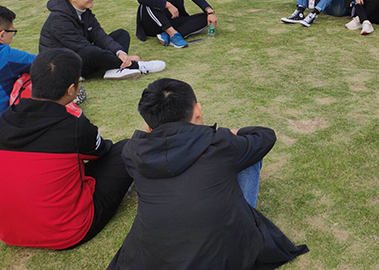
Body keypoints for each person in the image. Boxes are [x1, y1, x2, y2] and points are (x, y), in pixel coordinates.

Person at [108, 78, 309, 270]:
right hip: (222, 256)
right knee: (249, 156)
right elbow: (265, 135)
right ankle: (243, 217)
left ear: (148, 127)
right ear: (198, 111)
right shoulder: (220, 144)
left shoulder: (133, 153)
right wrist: (232, 133)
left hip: (157, 258)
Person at [0, 49, 133, 250]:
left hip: (9, 232)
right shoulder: (74, 127)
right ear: (71, 89)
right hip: (67, 232)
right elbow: (102, 151)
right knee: (127, 149)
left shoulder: (4, 119)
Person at [40, 0, 165, 80]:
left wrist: (120, 52)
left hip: (82, 54)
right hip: (65, 66)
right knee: (92, 51)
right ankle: (137, 66)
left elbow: (99, 34)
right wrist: (125, 59)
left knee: (121, 34)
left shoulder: (83, 10)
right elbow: (81, 46)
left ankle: (113, 69)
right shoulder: (58, 18)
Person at [0, 6, 36, 113]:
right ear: (2, 35)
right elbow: (44, 62)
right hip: (5, 119)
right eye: (12, 31)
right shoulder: (7, 56)